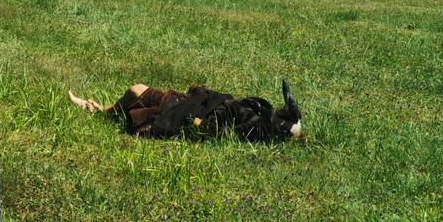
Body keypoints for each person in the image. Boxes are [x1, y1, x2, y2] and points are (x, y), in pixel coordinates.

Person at [69, 79, 303, 142]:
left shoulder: (259, 127)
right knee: (136, 93)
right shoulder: (264, 110)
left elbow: (224, 133)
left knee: (136, 91)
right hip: (199, 104)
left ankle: (100, 112)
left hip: (190, 114)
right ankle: (103, 110)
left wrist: (200, 124)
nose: (282, 108)